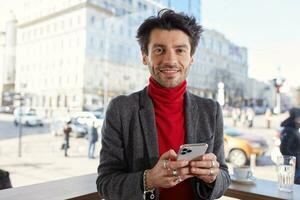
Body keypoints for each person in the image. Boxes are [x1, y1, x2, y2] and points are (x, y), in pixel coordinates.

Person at [96, 9, 230, 200]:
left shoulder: (211, 110)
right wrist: (148, 179)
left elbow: (224, 176)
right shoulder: (121, 109)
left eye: (180, 50)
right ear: (145, 56)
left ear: (191, 57)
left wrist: (213, 177)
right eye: (159, 50)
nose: (170, 60)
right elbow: (105, 185)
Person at [280, 107, 300, 184]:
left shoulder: (294, 129)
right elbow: (283, 149)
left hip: (296, 165)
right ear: (295, 118)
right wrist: (294, 157)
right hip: (292, 166)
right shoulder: (289, 130)